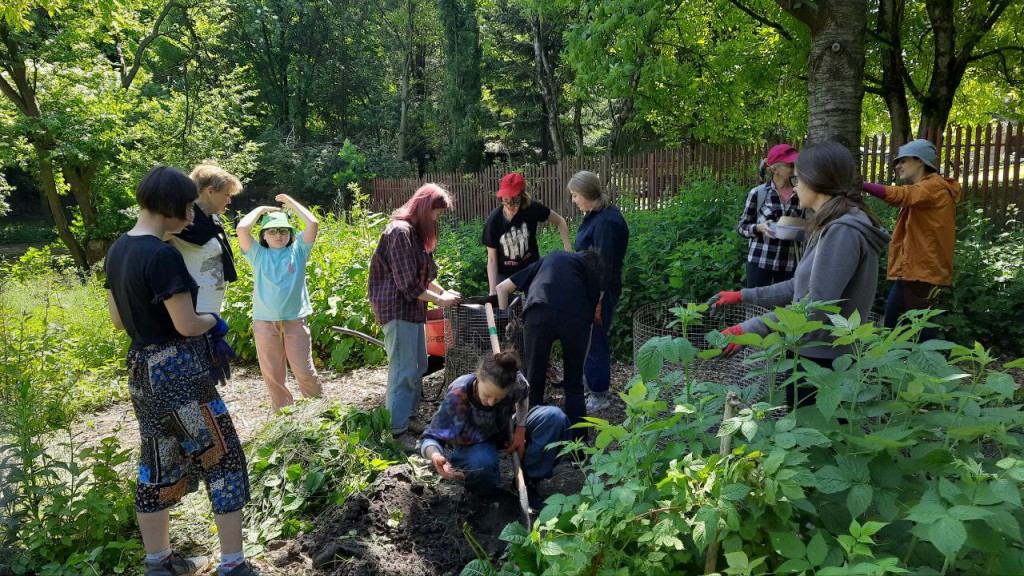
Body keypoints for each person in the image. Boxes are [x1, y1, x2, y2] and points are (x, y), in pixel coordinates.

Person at [104, 166, 259, 576]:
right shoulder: (162, 253)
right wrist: (212, 319)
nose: (192, 216)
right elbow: (187, 325)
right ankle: (233, 564)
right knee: (222, 458)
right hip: (179, 374)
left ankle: (158, 564)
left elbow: (119, 322)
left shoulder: (119, 248)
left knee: (158, 459)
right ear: (172, 205)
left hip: (141, 372)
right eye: (189, 207)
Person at [706, 141, 891, 408]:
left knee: (816, 438)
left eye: (798, 178)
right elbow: (800, 285)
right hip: (815, 352)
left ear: (816, 180)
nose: (795, 186)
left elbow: (813, 309)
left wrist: (747, 329)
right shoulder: (833, 224)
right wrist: (742, 295)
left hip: (824, 360)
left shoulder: (842, 232)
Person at [369, 183, 461, 440]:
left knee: (419, 365)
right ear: (423, 207)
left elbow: (423, 278)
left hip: (412, 312)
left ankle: (408, 418)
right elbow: (409, 285)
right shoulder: (399, 232)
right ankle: (396, 432)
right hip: (397, 311)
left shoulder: (414, 236)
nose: (436, 218)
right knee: (404, 371)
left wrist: (442, 293)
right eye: (436, 212)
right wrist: (440, 302)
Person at [420, 351, 569, 509]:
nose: (491, 403)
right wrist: (435, 456)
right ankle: (484, 496)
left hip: (503, 427)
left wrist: (520, 429)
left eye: (498, 398)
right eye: (487, 395)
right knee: (482, 466)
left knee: (554, 418)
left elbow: (523, 398)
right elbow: (429, 438)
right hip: (473, 441)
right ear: (478, 377)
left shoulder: (514, 380)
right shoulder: (459, 395)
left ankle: (527, 480)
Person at [496, 250, 603, 441]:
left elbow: (502, 287)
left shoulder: (549, 258)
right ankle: (579, 446)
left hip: (538, 311)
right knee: (574, 384)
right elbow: (592, 315)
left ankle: (531, 440)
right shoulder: (590, 272)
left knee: (534, 380)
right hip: (575, 318)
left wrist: (503, 326)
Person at [861, 139, 962, 341]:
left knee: (923, 330)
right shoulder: (924, 189)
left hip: (924, 272)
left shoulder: (934, 187)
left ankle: (934, 370)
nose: (897, 166)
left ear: (920, 161)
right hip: (911, 272)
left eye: (902, 161)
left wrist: (861, 185)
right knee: (893, 323)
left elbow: (900, 195)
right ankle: (892, 368)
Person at [237, 195, 322, 412]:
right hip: (264, 321)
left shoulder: (299, 251)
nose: (278, 235)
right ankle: (283, 414)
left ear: (291, 234)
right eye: (272, 231)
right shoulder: (257, 254)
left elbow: (312, 223)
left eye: (284, 230)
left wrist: (292, 205)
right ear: (264, 235)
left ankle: (319, 410)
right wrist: (260, 209)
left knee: (304, 369)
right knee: (273, 373)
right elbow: (242, 229)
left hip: (295, 320)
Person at [568, 171, 629, 413]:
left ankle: (599, 393)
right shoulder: (596, 214)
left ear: (586, 194)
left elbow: (603, 266)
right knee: (588, 338)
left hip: (599, 293)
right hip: (589, 289)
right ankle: (591, 380)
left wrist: (598, 300)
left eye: (574, 195)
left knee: (595, 340)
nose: (573, 200)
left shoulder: (606, 222)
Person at [169, 164, 243, 315]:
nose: (229, 201)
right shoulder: (178, 221)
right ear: (210, 191)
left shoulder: (212, 221)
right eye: (227, 195)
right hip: (192, 309)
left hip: (212, 306)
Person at [482, 172, 572, 294]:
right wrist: (492, 292)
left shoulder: (533, 209)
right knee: (502, 306)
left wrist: (568, 250)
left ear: (522, 197)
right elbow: (492, 259)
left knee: (536, 302)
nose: (510, 206)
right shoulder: (494, 221)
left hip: (530, 268)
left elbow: (560, 221)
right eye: (506, 200)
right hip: (504, 272)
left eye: (515, 201)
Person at [737, 144, 806, 288]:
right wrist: (759, 228)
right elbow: (742, 227)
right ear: (775, 169)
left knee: (784, 309)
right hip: (760, 262)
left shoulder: (801, 194)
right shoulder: (758, 193)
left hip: (789, 264)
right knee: (756, 307)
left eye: (796, 164)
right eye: (790, 165)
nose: (795, 168)